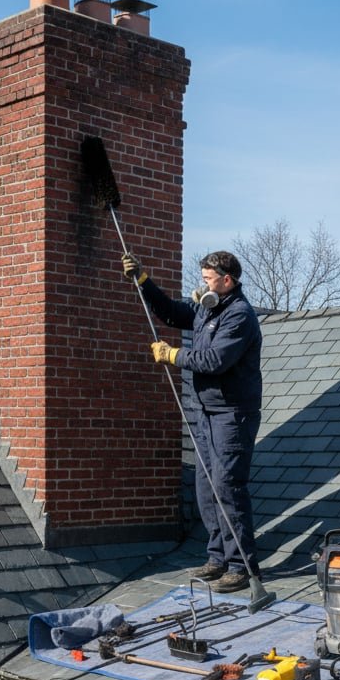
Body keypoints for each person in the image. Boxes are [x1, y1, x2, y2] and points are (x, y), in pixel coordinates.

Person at [122, 249, 263, 593]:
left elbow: (216, 359)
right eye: (202, 280)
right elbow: (171, 313)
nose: (203, 286)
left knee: (229, 487)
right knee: (207, 488)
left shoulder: (239, 316)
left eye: (208, 280)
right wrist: (143, 282)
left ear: (227, 281)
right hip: (205, 412)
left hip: (232, 414)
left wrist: (174, 355)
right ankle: (218, 558)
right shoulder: (207, 310)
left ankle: (241, 565)